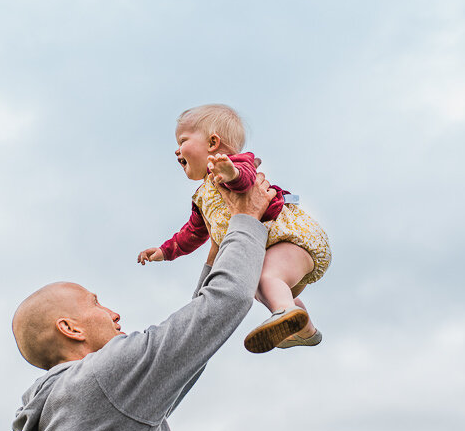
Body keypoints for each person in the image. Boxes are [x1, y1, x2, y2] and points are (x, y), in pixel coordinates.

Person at [11, 173, 276, 431]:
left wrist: (219, 242)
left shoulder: (77, 402)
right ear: (71, 329)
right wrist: (247, 219)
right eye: (97, 303)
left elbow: (191, 350)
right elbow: (225, 303)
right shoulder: (99, 382)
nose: (114, 312)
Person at [137, 104, 331, 353]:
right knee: (254, 286)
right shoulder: (201, 197)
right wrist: (166, 251)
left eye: (183, 140)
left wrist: (231, 173)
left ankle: (284, 312)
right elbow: (193, 232)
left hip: (294, 241)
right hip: (273, 254)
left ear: (212, 142)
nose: (176, 150)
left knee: (265, 278)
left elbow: (246, 179)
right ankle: (301, 325)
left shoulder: (237, 164)